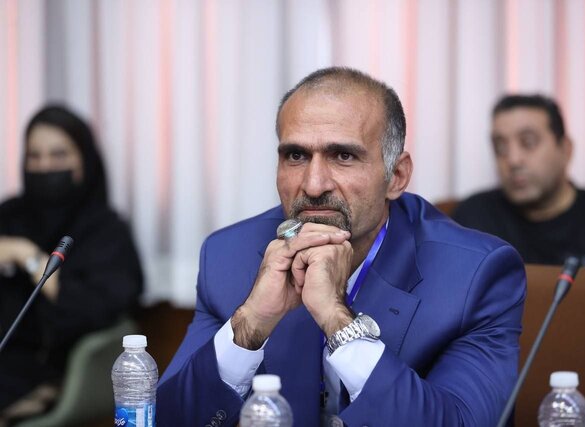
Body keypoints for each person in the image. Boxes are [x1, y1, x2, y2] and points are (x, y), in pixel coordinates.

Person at [157, 67, 526, 426]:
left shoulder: (475, 275)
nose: (314, 185)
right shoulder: (228, 256)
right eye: (296, 156)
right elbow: (167, 419)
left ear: (396, 176)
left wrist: (337, 320)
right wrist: (250, 323)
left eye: (343, 156)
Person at [0, 105, 143, 422]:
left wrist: (26, 255)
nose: (45, 166)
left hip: (54, 371)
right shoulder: (10, 214)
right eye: (34, 156)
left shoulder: (106, 230)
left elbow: (93, 309)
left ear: (84, 160)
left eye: (58, 155)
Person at [452, 94, 585, 269]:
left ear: (565, 149)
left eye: (528, 142)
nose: (513, 160)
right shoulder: (473, 220)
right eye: (501, 147)